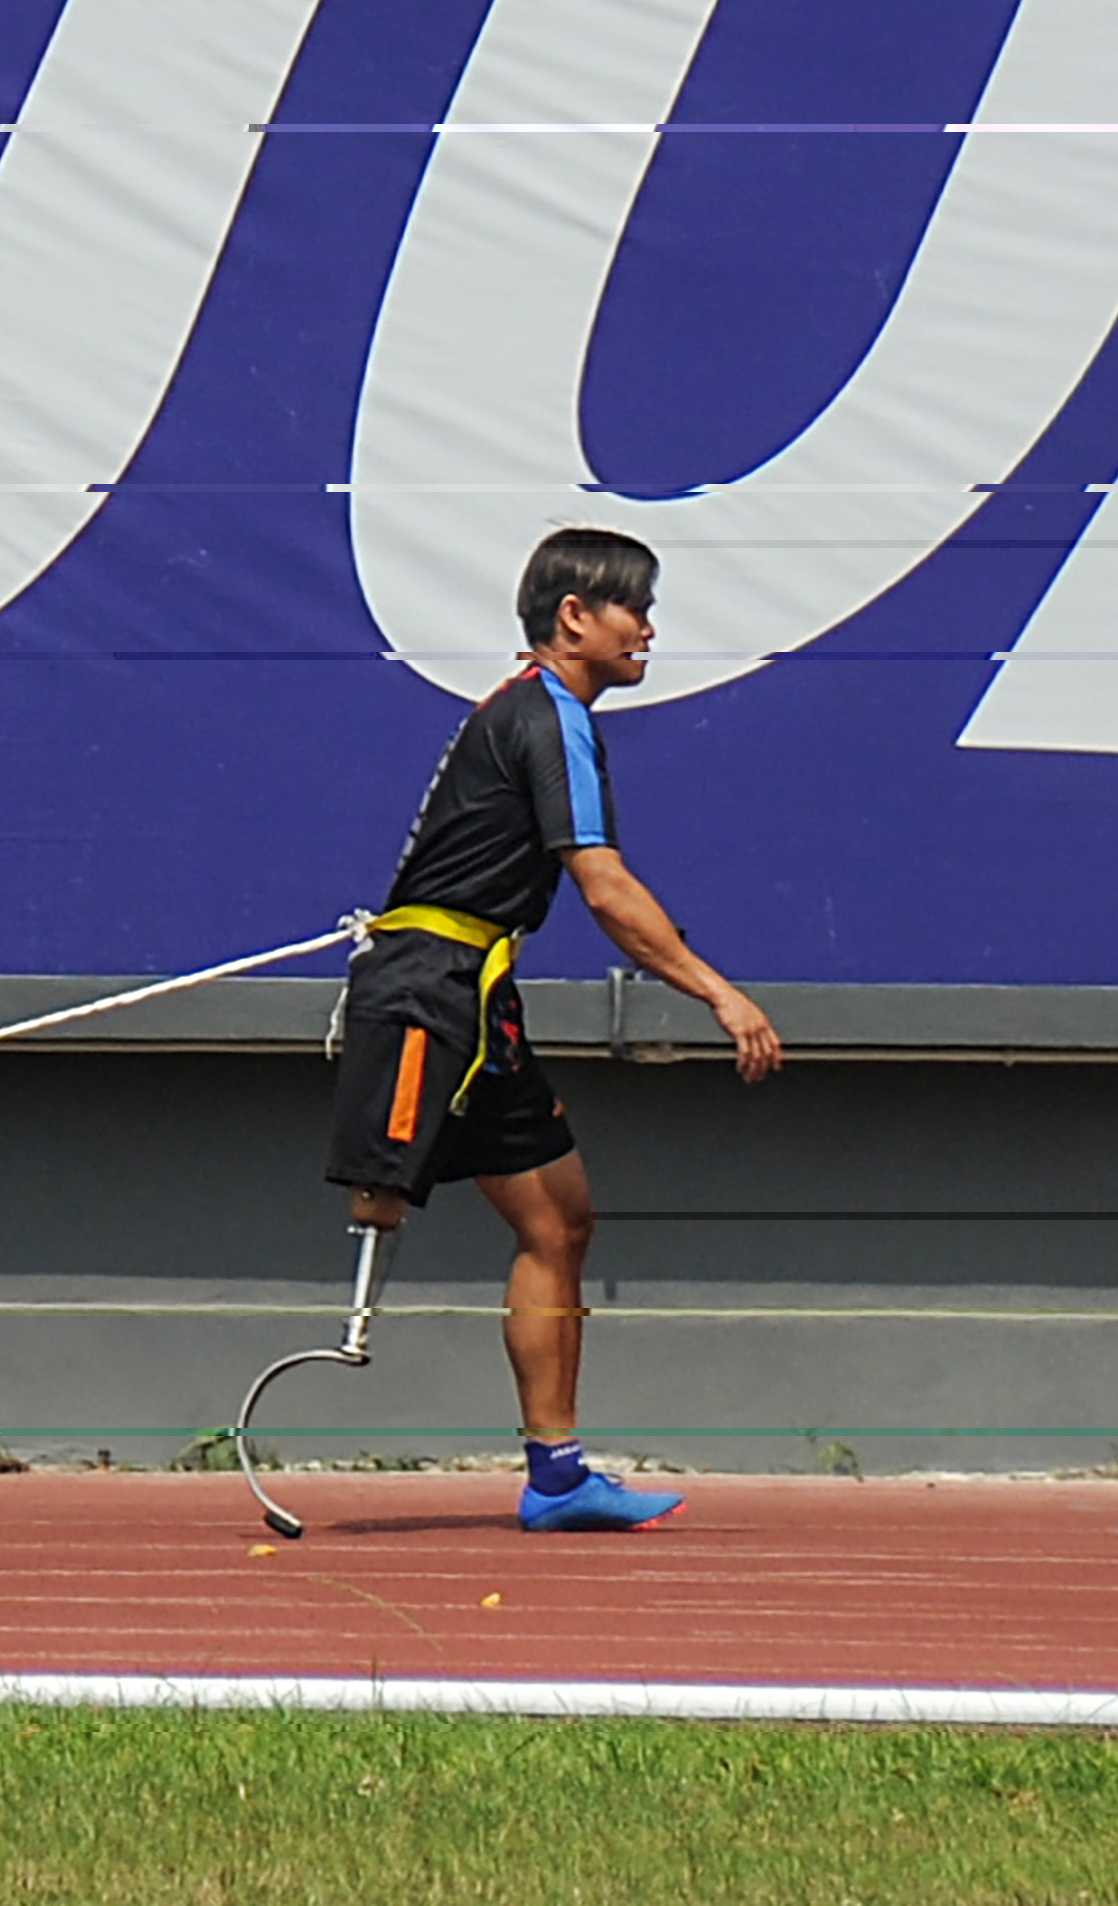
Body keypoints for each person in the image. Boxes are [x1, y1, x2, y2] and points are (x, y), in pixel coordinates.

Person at [324, 526, 783, 1531]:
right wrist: (718, 992)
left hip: (467, 989)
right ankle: (558, 1471)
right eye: (634, 608)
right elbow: (605, 887)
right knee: (435, 1211)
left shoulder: (533, 712)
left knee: (560, 1217)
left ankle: (558, 1473)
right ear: (574, 616)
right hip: (435, 994)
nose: (649, 629)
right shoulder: (550, 715)